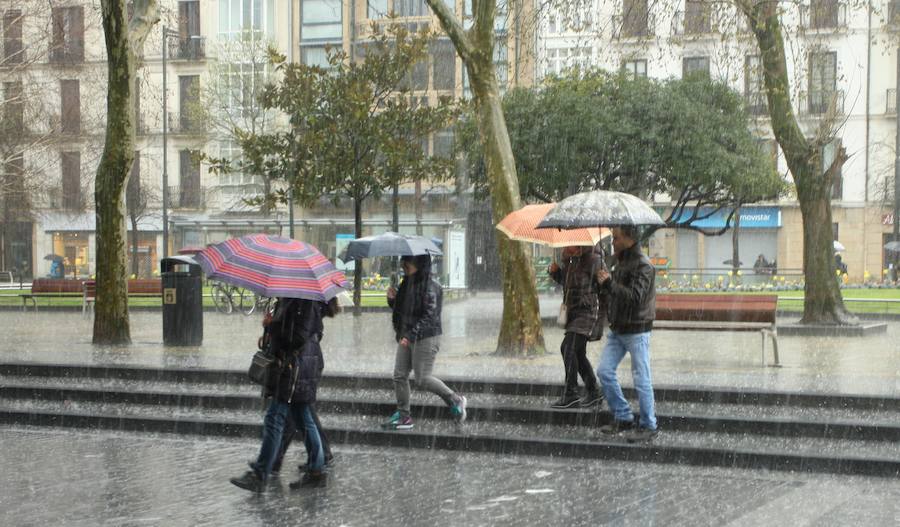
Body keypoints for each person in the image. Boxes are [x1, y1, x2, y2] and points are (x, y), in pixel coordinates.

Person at [230, 297, 332, 492]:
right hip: (296, 367)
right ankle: (316, 470)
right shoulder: (292, 299)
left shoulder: (303, 301)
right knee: (303, 418)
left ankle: (260, 474)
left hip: (294, 368)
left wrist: (273, 326)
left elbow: (298, 337)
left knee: (275, 418)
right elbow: (291, 332)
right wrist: (270, 329)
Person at [381, 254, 467, 430]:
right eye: (404, 262)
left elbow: (429, 316)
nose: (404, 266)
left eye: (408, 263)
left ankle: (455, 399)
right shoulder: (407, 283)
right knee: (399, 375)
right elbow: (407, 311)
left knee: (422, 378)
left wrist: (411, 335)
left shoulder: (431, 286)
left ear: (419, 264)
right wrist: (393, 300)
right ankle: (404, 416)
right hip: (408, 335)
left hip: (426, 337)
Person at [595, 225, 659, 443]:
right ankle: (623, 415)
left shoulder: (644, 266)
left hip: (637, 330)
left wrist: (610, 284)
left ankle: (649, 425)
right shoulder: (619, 261)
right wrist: (604, 285)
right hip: (618, 328)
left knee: (641, 378)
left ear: (629, 238)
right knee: (604, 371)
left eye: (616, 237)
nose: (613, 241)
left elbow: (635, 297)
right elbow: (616, 295)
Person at [547, 245, 606, 409]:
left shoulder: (594, 259)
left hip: (587, 312)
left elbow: (604, 288)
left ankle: (571, 393)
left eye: (568, 244)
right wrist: (556, 273)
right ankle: (593, 391)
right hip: (573, 312)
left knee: (568, 347)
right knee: (577, 353)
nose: (565, 247)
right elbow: (569, 284)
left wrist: (605, 281)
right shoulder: (572, 261)